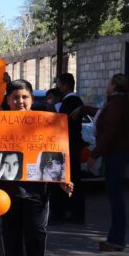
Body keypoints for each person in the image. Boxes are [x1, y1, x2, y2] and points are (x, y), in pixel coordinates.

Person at [0, 79, 73, 256]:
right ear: (8, 100)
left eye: (25, 97)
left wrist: (63, 180)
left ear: (31, 99)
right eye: (15, 97)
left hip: (38, 191)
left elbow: (56, 155)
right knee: (11, 234)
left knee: (36, 234)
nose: (20, 101)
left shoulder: (46, 123)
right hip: (6, 192)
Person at [89, 74, 129, 252]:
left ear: (113, 86)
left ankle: (116, 240)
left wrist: (95, 153)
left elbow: (110, 132)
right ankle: (115, 239)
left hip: (116, 154)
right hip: (118, 153)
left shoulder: (116, 104)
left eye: (109, 83)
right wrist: (84, 109)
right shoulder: (118, 103)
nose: (107, 86)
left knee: (116, 199)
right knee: (115, 198)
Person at [53, 72, 86, 224]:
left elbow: (63, 124)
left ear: (66, 85)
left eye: (59, 84)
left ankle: (68, 213)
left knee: (69, 180)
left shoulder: (71, 101)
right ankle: (73, 212)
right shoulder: (73, 101)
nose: (57, 87)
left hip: (69, 146)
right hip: (71, 145)